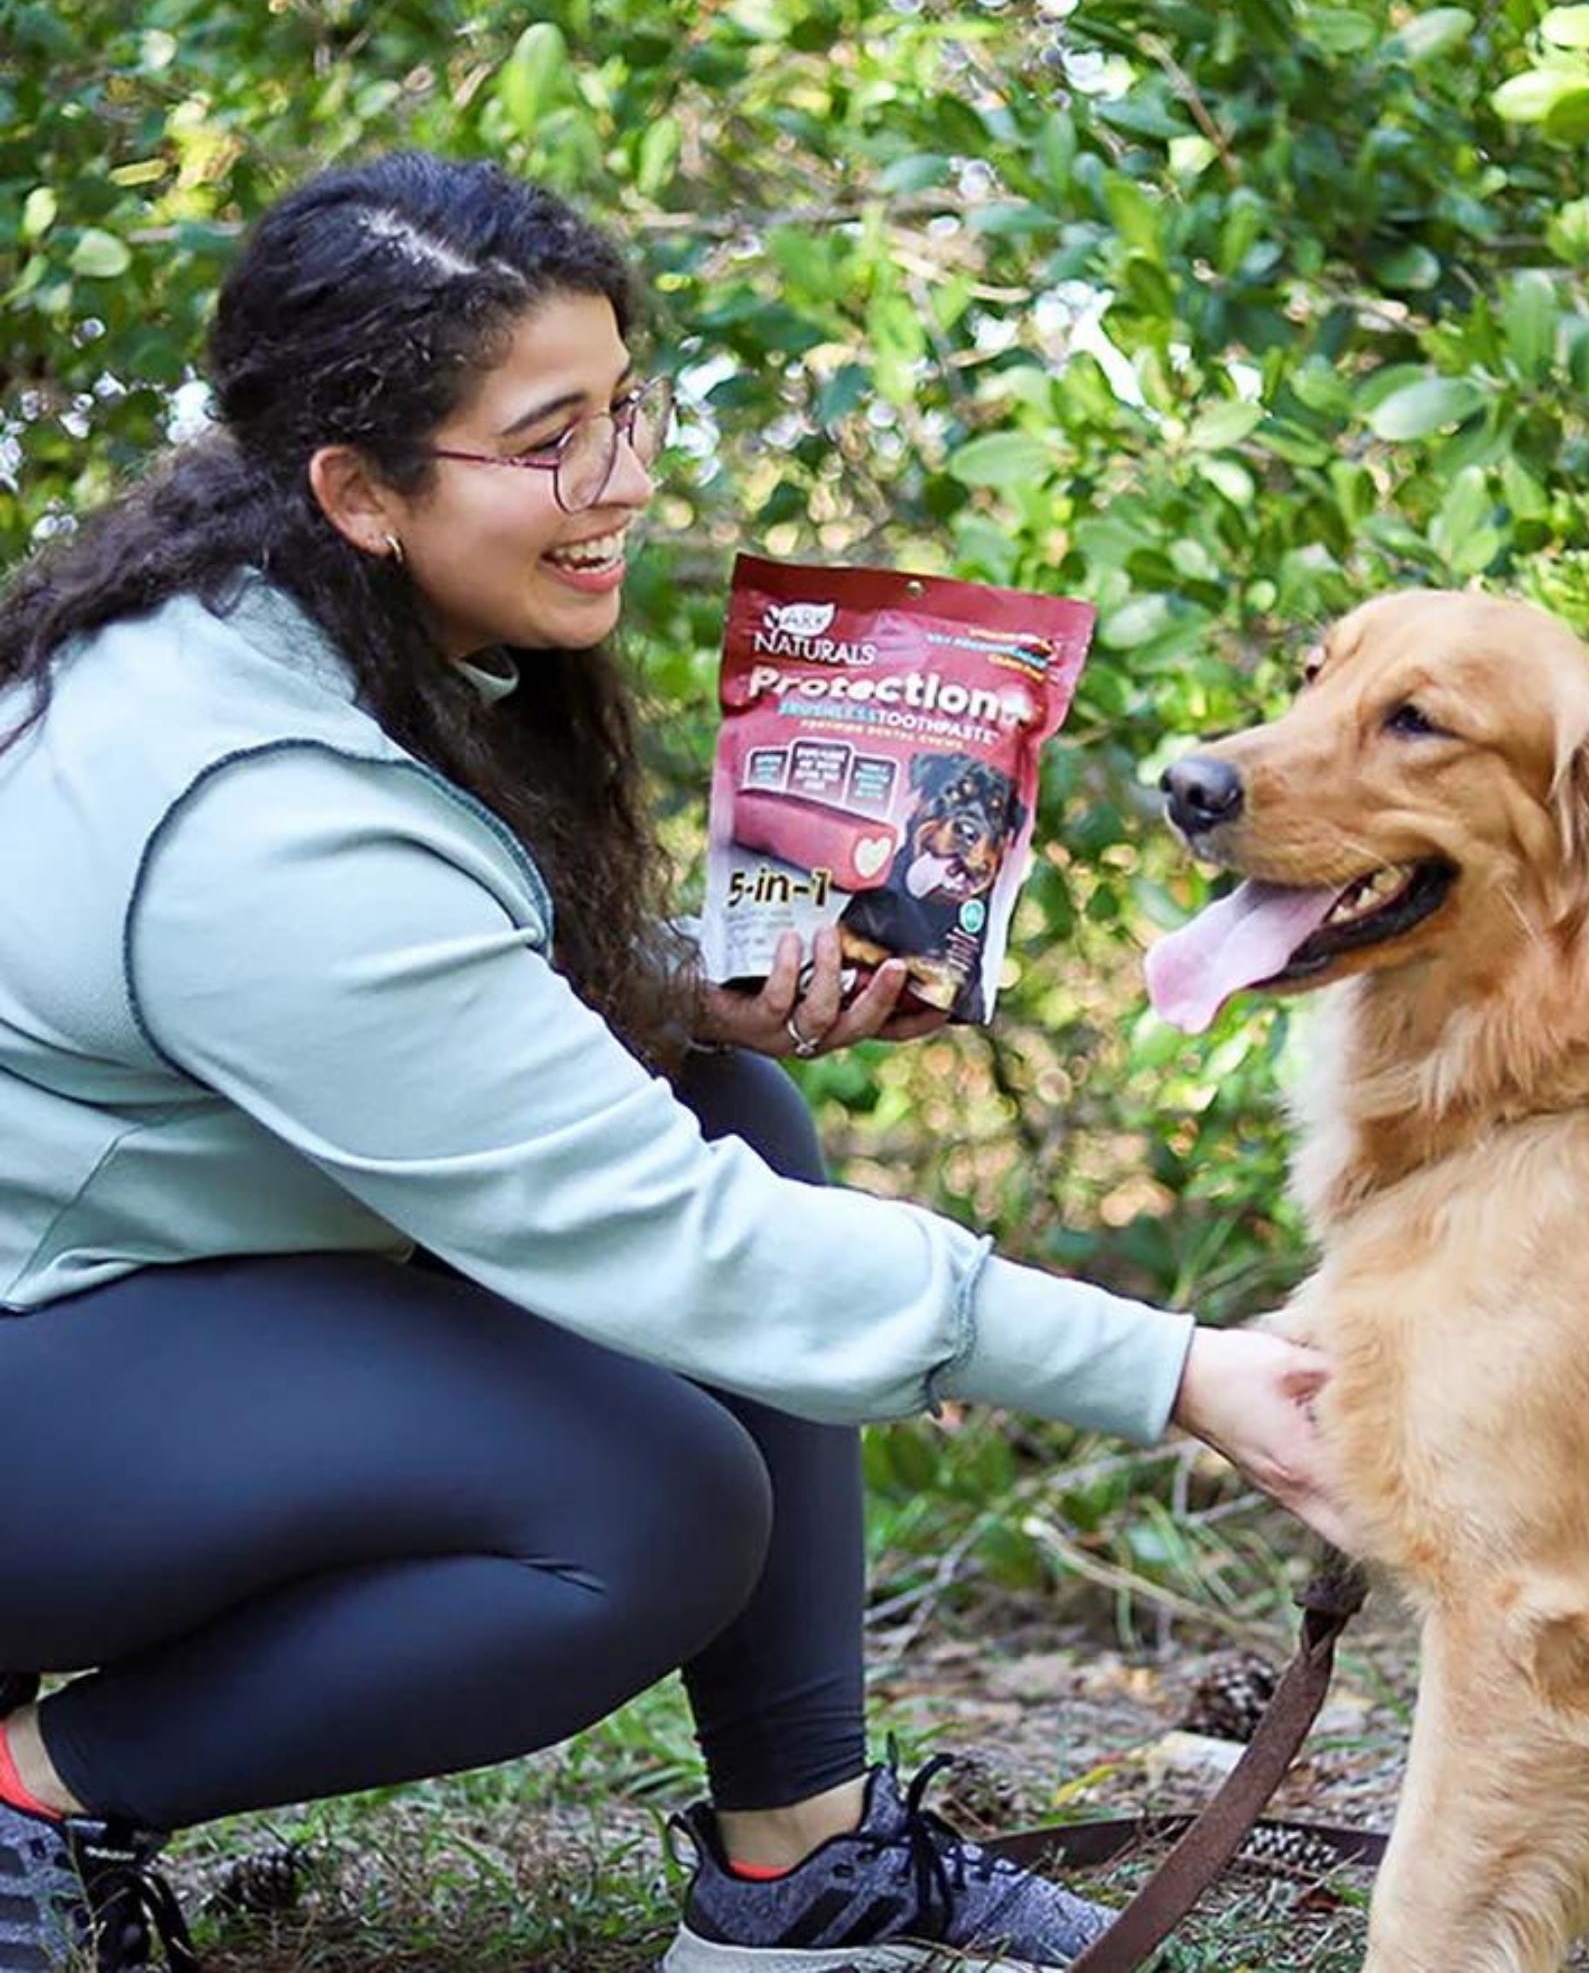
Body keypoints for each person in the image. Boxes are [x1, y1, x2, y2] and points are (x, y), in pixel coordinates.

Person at [0, 152, 1344, 1973]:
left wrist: (684, 991)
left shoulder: (290, 630)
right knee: (643, 1506)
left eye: (627, 408)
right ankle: (33, 1794)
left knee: (729, 1099)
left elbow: (412, 996)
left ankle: (798, 1861)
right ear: (357, 489)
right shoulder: (257, 814)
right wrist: (1176, 1371)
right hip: (40, 1359)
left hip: (109, 1298)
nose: (623, 479)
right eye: (550, 441)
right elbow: (669, 1240)